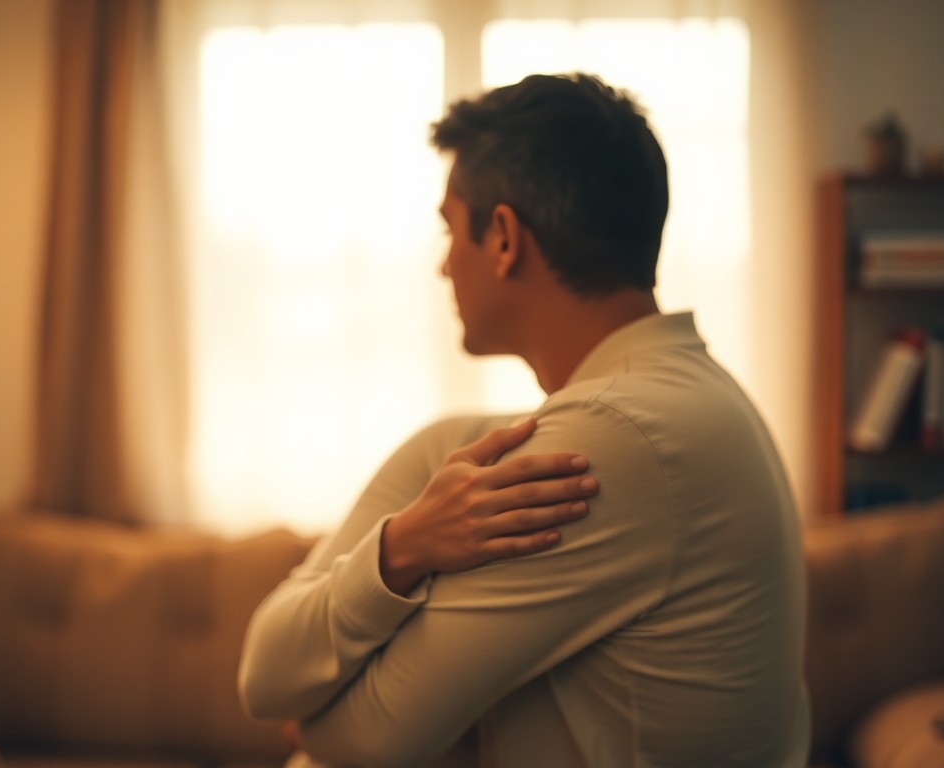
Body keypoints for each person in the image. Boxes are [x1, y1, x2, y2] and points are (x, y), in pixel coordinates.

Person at [238, 73, 809, 767]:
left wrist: (306, 728)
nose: (444, 266)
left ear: (504, 238)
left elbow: (370, 737)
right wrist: (398, 549)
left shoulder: (613, 438)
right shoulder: (690, 398)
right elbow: (264, 672)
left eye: (450, 228)